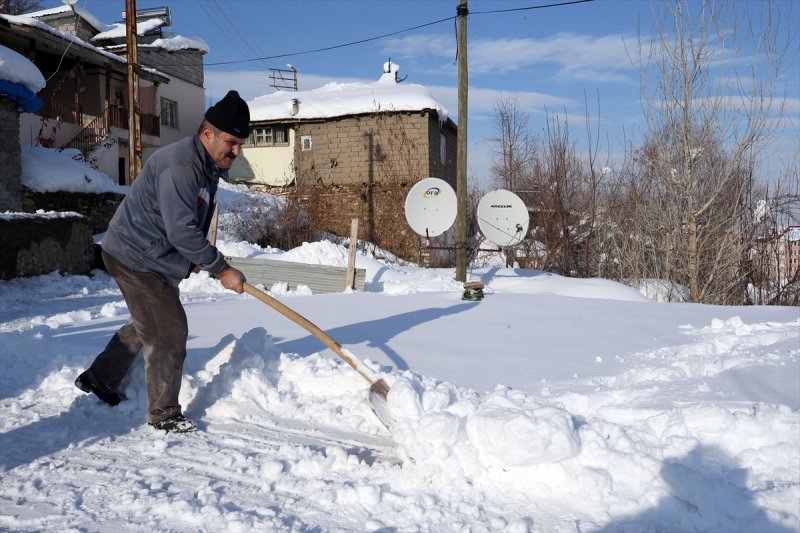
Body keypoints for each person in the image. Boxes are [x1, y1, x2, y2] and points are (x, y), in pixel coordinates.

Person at [75, 90, 250, 433]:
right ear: (207, 133)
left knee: (149, 322)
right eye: (232, 142)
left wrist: (196, 261)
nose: (236, 151)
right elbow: (182, 231)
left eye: (241, 144)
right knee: (169, 330)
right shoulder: (182, 165)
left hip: (151, 252)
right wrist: (222, 268)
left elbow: (182, 223)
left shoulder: (205, 163)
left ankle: (100, 378)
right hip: (134, 255)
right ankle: (164, 414)